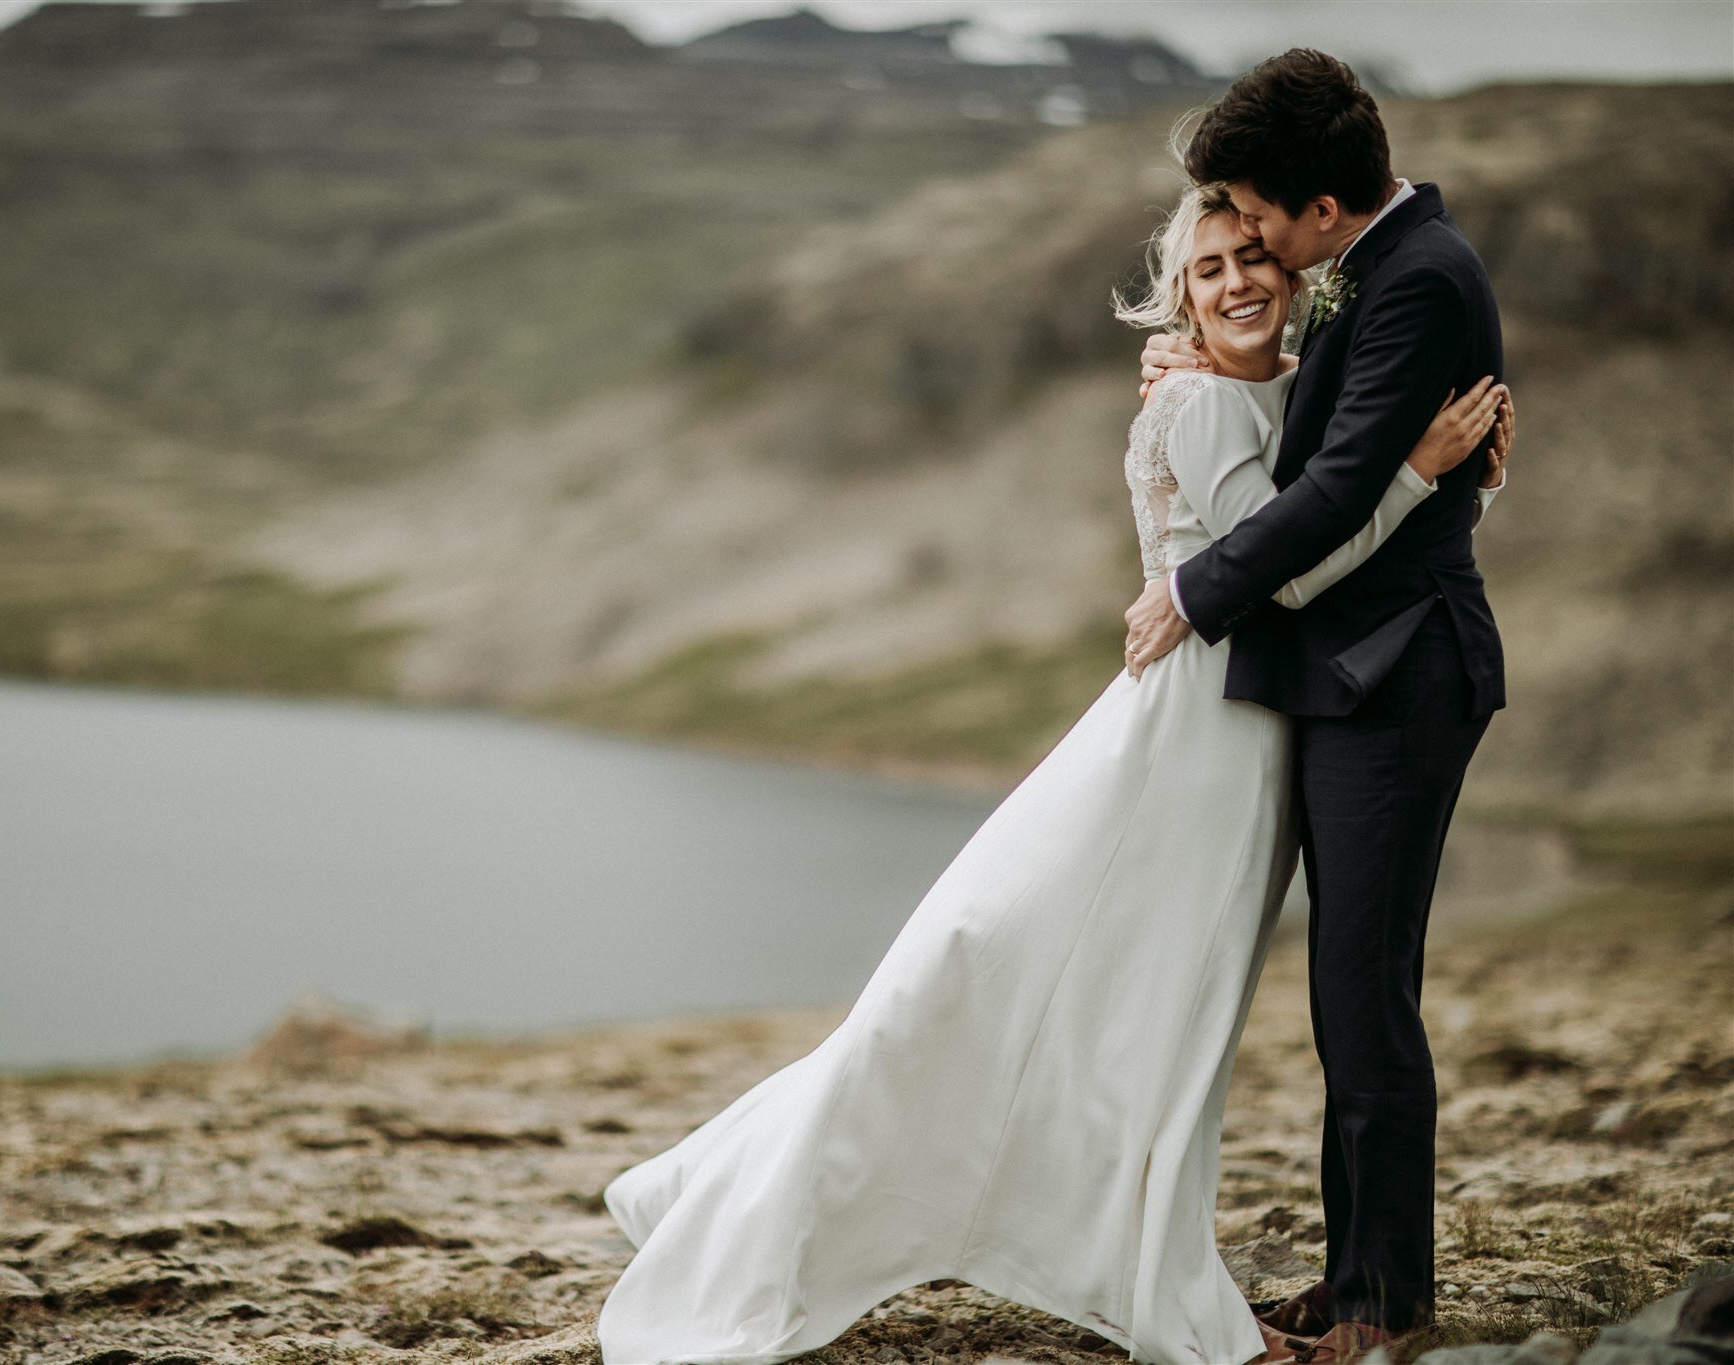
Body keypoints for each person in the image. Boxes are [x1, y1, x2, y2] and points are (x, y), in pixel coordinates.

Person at [594, 173, 1510, 1365]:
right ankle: (1159, 1296)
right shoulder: (1192, 405)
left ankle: (750, 1184)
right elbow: (1281, 568)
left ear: (1295, 271)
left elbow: (1328, 477)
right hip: (1197, 743)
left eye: (1252, 258)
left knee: (1131, 1009)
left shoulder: (1285, 389)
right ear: (1177, 298)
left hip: (1240, 735)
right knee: (1128, 1013)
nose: (1237, 282)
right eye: (1207, 268)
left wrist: (1465, 468)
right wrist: (1415, 473)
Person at [1121, 49, 1511, 1365]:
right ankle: (1360, 1277)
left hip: (1400, 672)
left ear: (1322, 215)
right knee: (1354, 988)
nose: (1259, 251)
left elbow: (1341, 491)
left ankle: (1383, 1305)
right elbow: (1321, 446)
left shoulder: (1417, 281)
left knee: (1362, 992)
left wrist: (1195, 589)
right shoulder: (1396, 267)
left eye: (1260, 219)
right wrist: (1208, 378)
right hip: (1365, 668)